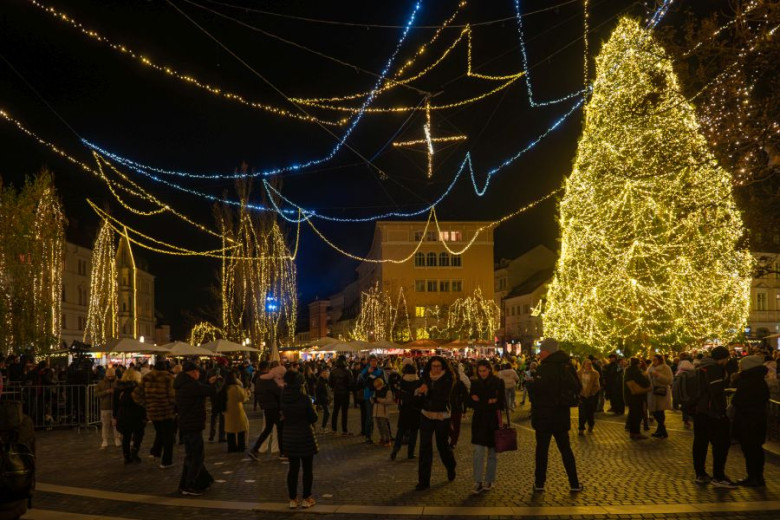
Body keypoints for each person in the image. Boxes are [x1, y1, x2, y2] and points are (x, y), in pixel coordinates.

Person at [530, 338, 581, 493]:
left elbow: (537, 392)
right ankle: (574, 483)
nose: (539, 354)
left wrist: (530, 385)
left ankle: (539, 483)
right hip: (560, 414)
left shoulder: (544, 368)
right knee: (565, 449)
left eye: (541, 351)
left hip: (544, 415)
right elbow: (577, 386)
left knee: (542, 451)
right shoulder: (567, 365)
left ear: (548, 351)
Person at [692, 346, 737, 488]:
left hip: (699, 410)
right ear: (723, 358)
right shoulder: (714, 369)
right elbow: (716, 391)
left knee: (700, 443)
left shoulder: (700, 366)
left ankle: (700, 474)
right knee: (721, 444)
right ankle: (718, 476)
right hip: (712, 412)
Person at [174, 361, 218, 496]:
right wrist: (213, 383)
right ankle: (190, 484)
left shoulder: (183, 383)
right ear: (193, 372)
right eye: (198, 371)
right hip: (192, 424)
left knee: (191, 455)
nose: (199, 373)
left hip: (187, 423)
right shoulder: (190, 385)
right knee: (197, 456)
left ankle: (190, 483)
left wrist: (207, 382)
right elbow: (208, 391)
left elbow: (200, 388)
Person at [415, 356, 457, 491]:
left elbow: (443, 396)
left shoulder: (448, 378)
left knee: (442, 445)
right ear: (430, 366)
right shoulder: (425, 377)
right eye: (434, 366)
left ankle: (450, 466)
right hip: (426, 414)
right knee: (424, 447)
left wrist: (427, 391)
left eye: (439, 366)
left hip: (442, 416)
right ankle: (423, 481)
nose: (436, 368)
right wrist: (419, 392)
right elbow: (419, 394)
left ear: (443, 367)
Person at [280, 370, 319, 509]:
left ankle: (292, 499)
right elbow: (313, 418)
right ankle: (306, 498)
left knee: (293, 469)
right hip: (304, 436)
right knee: (307, 469)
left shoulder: (283, 397)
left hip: (289, 436)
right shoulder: (304, 398)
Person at [731, 354, 769, 487]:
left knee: (750, 449)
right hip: (757, 420)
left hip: (748, 420)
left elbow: (738, 401)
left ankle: (753, 477)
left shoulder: (748, 381)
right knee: (756, 449)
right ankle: (757, 476)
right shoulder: (759, 380)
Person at [469, 359, 505, 494]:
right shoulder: (475, 383)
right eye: (480, 371)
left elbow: (500, 403)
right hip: (479, 421)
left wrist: (481, 400)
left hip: (492, 421)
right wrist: (489, 401)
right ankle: (477, 481)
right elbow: (470, 402)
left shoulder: (498, 382)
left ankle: (489, 480)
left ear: (489, 369)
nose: (482, 373)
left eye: (484, 370)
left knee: (492, 453)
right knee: (478, 452)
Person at [133, 360, 176, 468]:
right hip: (166, 411)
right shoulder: (168, 377)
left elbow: (136, 394)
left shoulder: (147, 377)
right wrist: (173, 406)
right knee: (168, 437)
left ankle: (155, 452)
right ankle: (166, 461)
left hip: (153, 411)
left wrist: (146, 404)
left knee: (160, 432)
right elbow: (172, 395)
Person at [248, 362, 284, 460]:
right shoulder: (267, 379)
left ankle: (254, 449)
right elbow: (278, 392)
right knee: (280, 427)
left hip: (267, 406)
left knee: (268, 429)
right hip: (273, 407)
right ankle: (283, 453)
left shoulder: (259, 378)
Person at [114, 368, 146, 464]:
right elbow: (142, 403)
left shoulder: (119, 389)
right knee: (138, 434)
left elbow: (115, 404)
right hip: (137, 414)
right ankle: (134, 451)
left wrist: (115, 416)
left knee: (126, 436)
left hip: (123, 414)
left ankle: (127, 455)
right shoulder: (138, 388)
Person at [391, 363, 422, 461]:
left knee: (400, 431)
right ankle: (410, 453)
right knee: (413, 432)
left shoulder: (402, 381)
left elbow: (398, 394)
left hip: (405, 409)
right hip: (415, 410)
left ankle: (396, 449)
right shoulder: (418, 382)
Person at [358, 355, 384, 444]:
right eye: (372, 361)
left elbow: (383, 382)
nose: (373, 362)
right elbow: (361, 382)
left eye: (375, 361)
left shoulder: (380, 371)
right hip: (368, 396)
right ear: (369, 362)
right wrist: (368, 373)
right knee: (369, 417)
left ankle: (382, 436)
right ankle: (368, 436)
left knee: (379, 417)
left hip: (378, 396)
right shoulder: (365, 370)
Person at [623, 358, 650, 440]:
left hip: (629, 396)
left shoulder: (627, 371)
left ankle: (633, 432)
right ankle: (636, 433)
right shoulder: (636, 371)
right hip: (637, 396)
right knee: (637, 415)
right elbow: (645, 383)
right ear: (638, 364)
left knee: (632, 414)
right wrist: (646, 376)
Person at [647, 354, 672, 439]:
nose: (654, 361)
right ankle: (661, 430)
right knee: (655, 412)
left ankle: (661, 430)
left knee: (660, 411)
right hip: (652, 392)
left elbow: (669, 380)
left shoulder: (665, 368)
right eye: (653, 359)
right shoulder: (650, 368)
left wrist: (658, 376)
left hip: (661, 393)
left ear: (660, 360)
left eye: (655, 359)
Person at [223, 370, 250, 453]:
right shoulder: (236, 388)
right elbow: (243, 397)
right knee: (241, 428)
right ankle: (241, 446)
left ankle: (231, 447)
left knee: (230, 430)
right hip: (237, 410)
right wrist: (248, 393)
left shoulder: (224, 388)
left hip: (227, 410)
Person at [96, 367, 121, 448]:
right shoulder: (101, 383)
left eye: (112, 376)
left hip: (116, 407)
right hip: (105, 407)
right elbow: (96, 394)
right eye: (109, 376)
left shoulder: (118, 382)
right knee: (105, 424)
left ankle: (117, 439)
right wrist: (106, 392)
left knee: (116, 425)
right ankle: (105, 440)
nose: (110, 378)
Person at [328, 355, 353, 435]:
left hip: (336, 393)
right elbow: (351, 383)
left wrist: (335, 387)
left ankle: (334, 429)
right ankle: (344, 430)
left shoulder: (333, 371)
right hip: (345, 393)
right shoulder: (347, 371)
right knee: (344, 412)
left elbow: (330, 383)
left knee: (335, 411)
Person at [577, 358, 600, 434]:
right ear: (583, 364)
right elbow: (576, 384)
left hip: (591, 396)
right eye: (587, 364)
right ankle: (581, 428)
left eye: (590, 364)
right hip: (581, 395)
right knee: (582, 413)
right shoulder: (578, 373)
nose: (589, 366)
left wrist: (592, 393)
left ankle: (591, 424)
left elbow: (597, 386)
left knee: (590, 412)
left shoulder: (595, 373)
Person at [371, 377, 394, 446]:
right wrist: (372, 400)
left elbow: (389, 401)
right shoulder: (376, 391)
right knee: (379, 426)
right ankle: (382, 438)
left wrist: (379, 400)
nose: (377, 388)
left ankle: (388, 439)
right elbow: (372, 399)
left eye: (378, 386)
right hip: (376, 410)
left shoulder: (387, 391)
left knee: (384, 426)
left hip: (383, 411)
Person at [315, 368, 332, 434]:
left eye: (327, 373)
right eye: (325, 373)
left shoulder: (324, 380)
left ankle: (323, 427)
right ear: (322, 373)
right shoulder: (320, 381)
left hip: (324, 399)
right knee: (327, 413)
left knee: (327, 413)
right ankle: (322, 428)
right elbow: (318, 392)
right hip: (323, 399)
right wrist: (325, 399)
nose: (327, 374)